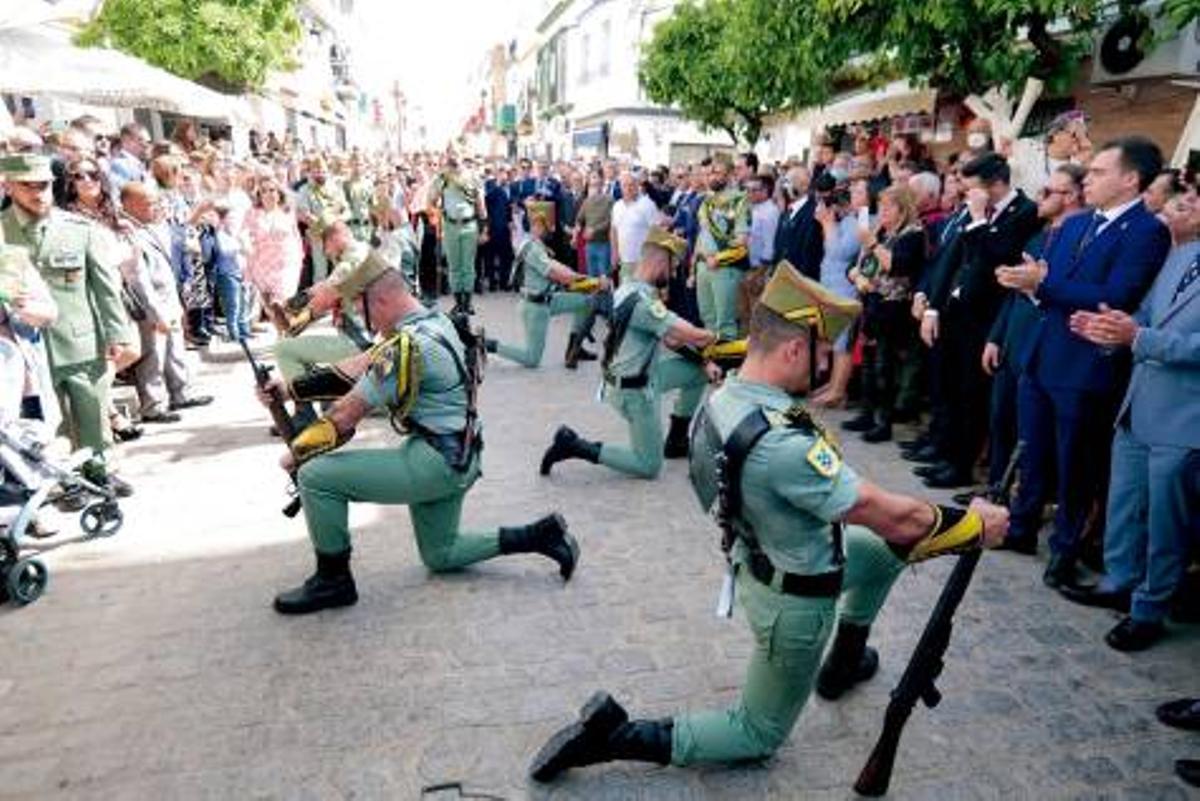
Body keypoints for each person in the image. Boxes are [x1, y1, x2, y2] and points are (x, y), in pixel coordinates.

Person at [529, 264, 1010, 782]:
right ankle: (615, 737)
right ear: (793, 350)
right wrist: (972, 526)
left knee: (873, 555)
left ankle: (844, 661)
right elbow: (895, 517)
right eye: (822, 349)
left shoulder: (727, 397)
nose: (827, 361)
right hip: (796, 604)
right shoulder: (782, 444)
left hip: (759, 556)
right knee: (756, 733)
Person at [257, 260, 580, 614]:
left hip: (435, 462)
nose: (368, 323)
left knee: (316, 477)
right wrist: (289, 390)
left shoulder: (406, 346)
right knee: (441, 555)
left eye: (364, 312)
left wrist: (297, 454)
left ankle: (333, 581)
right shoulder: (433, 321)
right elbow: (361, 364)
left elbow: (345, 415)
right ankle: (540, 534)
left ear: (377, 301)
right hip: (461, 453)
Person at [997, 137, 1172, 589]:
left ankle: (1066, 550)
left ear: (1130, 179)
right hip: (1043, 353)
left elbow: (1115, 296)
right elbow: (1049, 288)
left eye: (1097, 172)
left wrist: (1046, 283)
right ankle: (1020, 527)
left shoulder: (1147, 231)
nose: (1087, 179)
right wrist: (1030, 284)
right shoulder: (1074, 225)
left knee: (1076, 463)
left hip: (1086, 365)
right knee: (1033, 449)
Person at [1056, 191, 1199, 651]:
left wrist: (1140, 337)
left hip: (1187, 414)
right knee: (1124, 499)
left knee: (1166, 520)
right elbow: (1146, 312)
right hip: (1138, 401)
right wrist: (1113, 327)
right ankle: (1119, 580)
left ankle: (1150, 607)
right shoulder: (1184, 254)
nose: (1190, 199)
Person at [540, 227, 718, 479]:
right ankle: (574, 445)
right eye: (672, 265)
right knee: (649, 466)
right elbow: (689, 334)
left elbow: (671, 340)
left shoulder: (630, 288)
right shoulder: (643, 304)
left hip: (642, 376)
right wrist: (725, 341)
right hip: (633, 391)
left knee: (695, 373)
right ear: (659, 261)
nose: (674, 272)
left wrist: (704, 362)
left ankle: (676, 439)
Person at [0, 153, 135, 486]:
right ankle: (63, 481)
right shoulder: (2, 232)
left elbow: (105, 288)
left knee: (93, 415)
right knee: (47, 423)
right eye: (27, 186)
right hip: (26, 349)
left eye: (44, 185)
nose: (39, 193)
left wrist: (119, 334)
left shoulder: (80, 229)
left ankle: (101, 474)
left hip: (81, 341)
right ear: (8, 186)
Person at [920, 152, 1039, 489]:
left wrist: (976, 218)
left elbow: (994, 260)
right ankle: (948, 456)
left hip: (987, 317)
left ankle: (962, 466)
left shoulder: (1023, 213)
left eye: (973, 189)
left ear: (995, 184)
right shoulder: (980, 214)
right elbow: (956, 260)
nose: (966, 195)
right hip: (959, 311)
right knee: (954, 389)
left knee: (973, 395)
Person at [982, 164, 1086, 493]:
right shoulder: (1039, 235)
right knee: (1001, 419)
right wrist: (996, 337)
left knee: (1032, 435)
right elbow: (1014, 292)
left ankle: (1024, 496)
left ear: (1070, 197)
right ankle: (996, 488)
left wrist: (1037, 287)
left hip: (1043, 348)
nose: (1038, 198)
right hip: (1013, 341)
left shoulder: (1082, 240)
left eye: (1047, 192)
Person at [120, 181, 212, 422]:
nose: (156, 207)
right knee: (154, 355)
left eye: (157, 202)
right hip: (151, 302)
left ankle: (180, 393)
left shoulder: (152, 226)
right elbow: (138, 279)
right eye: (150, 203)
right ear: (130, 205)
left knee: (174, 348)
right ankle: (153, 405)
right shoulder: (129, 233)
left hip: (168, 296)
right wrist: (153, 312)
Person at [842, 186, 926, 443]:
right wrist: (855, 276)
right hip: (870, 304)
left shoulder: (913, 234)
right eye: (881, 206)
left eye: (889, 207)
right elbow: (855, 265)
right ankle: (867, 413)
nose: (883, 212)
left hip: (893, 308)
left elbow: (897, 265)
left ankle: (883, 422)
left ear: (903, 209)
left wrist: (873, 244)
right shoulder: (879, 231)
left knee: (884, 366)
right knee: (867, 363)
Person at [486, 210, 604, 369]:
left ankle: (574, 349)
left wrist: (588, 281)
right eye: (547, 225)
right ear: (536, 227)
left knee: (586, 302)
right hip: (535, 307)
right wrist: (594, 282)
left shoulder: (535, 245)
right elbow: (557, 275)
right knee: (532, 359)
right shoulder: (533, 249)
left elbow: (560, 268)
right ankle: (489, 345)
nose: (551, 229)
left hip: (547, 300)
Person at [810, 177, 869, 409]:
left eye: (857, 191)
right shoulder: (848, 220)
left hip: (846, 288)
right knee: (836, 340)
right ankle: (834, 384)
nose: (851, 195)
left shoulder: (859, 222)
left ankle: (838, 390)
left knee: (844, 342)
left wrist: (826, 223)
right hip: (833, 285)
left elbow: (839, 252)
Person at [692, 154, 750, 340]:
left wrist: (718, 258)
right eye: (709, 174)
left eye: (716, 173)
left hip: (725, 269)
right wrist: (694, 266)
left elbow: (742, 241)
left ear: (730, 174)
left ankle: (726, 366)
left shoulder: (740, 200)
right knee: (707, 318)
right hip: (703, 266)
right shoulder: (707, 201)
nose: (711, 177)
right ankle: (712, 364)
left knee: (725, 324)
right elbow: (702, 235)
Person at [428, 155, 487, 315]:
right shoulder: (443, 178)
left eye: (457, 154)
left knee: (468, 266)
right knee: (454, 267)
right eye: (451, 155)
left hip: (469, 225)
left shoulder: (473, 177)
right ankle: (458, 303)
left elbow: (481, 206)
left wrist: (484, 228)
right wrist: (439, 204)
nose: (454, 159)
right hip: (450, 225)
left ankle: (467, 303)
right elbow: (432, 200)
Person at [244, 178, 304, 310]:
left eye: (272, 190)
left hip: (286, 263)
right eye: (264, 191)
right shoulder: (253, 214)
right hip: (262, 264)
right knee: (270, 307)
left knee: (282, 298)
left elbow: (296, 236)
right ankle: (282, 329)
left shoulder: (287, 212)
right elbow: (243, 233)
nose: (269, 194)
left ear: (279, 193)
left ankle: (284, 324)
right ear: (259, 196)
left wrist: (300, 257)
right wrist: (246, 248)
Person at [295, 157, 348, 285]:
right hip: (318, 236)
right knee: (320, 274)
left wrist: (336, 221)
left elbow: (346, 210)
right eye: (316, 171)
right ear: (311, 172)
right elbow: (304, 213)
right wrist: (321, 223)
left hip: (336, 234)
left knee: (341, 271)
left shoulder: (335, 188)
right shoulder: (305, 190)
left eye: (323, 171)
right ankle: (320, 302)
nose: (320, 174)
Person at [774, 164, 824, 280]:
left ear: (804, 186)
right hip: (782, 279)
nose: (785, 186)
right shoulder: (786, 212)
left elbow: (809, 255)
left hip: (799, 283)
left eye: (789, 181)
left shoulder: (813, 213)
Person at [610, 172, 659, 284]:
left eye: (632, 184)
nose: (628, 188)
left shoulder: (647, 204)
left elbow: (657, 232)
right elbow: (613, 230)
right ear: (620, 187)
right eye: (625, 185)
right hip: (625, 262)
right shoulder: (617, 206)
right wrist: (614, 253)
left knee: (645, 298)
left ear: (638, 185)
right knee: (626, 296)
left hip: (643, 262)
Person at [575, 173, 613, 278]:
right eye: (593, 185)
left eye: (598, 184)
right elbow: (579, 219)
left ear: (602, 185)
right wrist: (577, 232)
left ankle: (605, 294)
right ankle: (594, 295)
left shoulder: (609, 200)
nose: (595, 187)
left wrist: (595, 230)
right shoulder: (586, 201)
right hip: (590, 245)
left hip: (604, 244)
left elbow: (611, 221)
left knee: (604, 277)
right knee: (592, 277)